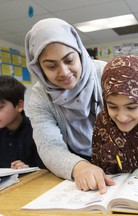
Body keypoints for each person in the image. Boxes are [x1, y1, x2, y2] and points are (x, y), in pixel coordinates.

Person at [25, 18, 114, 192]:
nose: (64, 72)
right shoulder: (40, 97)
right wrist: (79, 167)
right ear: (39, 69)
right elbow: (49, 145)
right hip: (75, 162)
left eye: (69, 60)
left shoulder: (106, 74)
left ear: (80, 53)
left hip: (122, 160)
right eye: (51, 66)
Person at [0, 75, 44, 169]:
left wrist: (28, 169)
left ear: (19, 106)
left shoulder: (37, 131)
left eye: (0, 107)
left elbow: (47, 169)